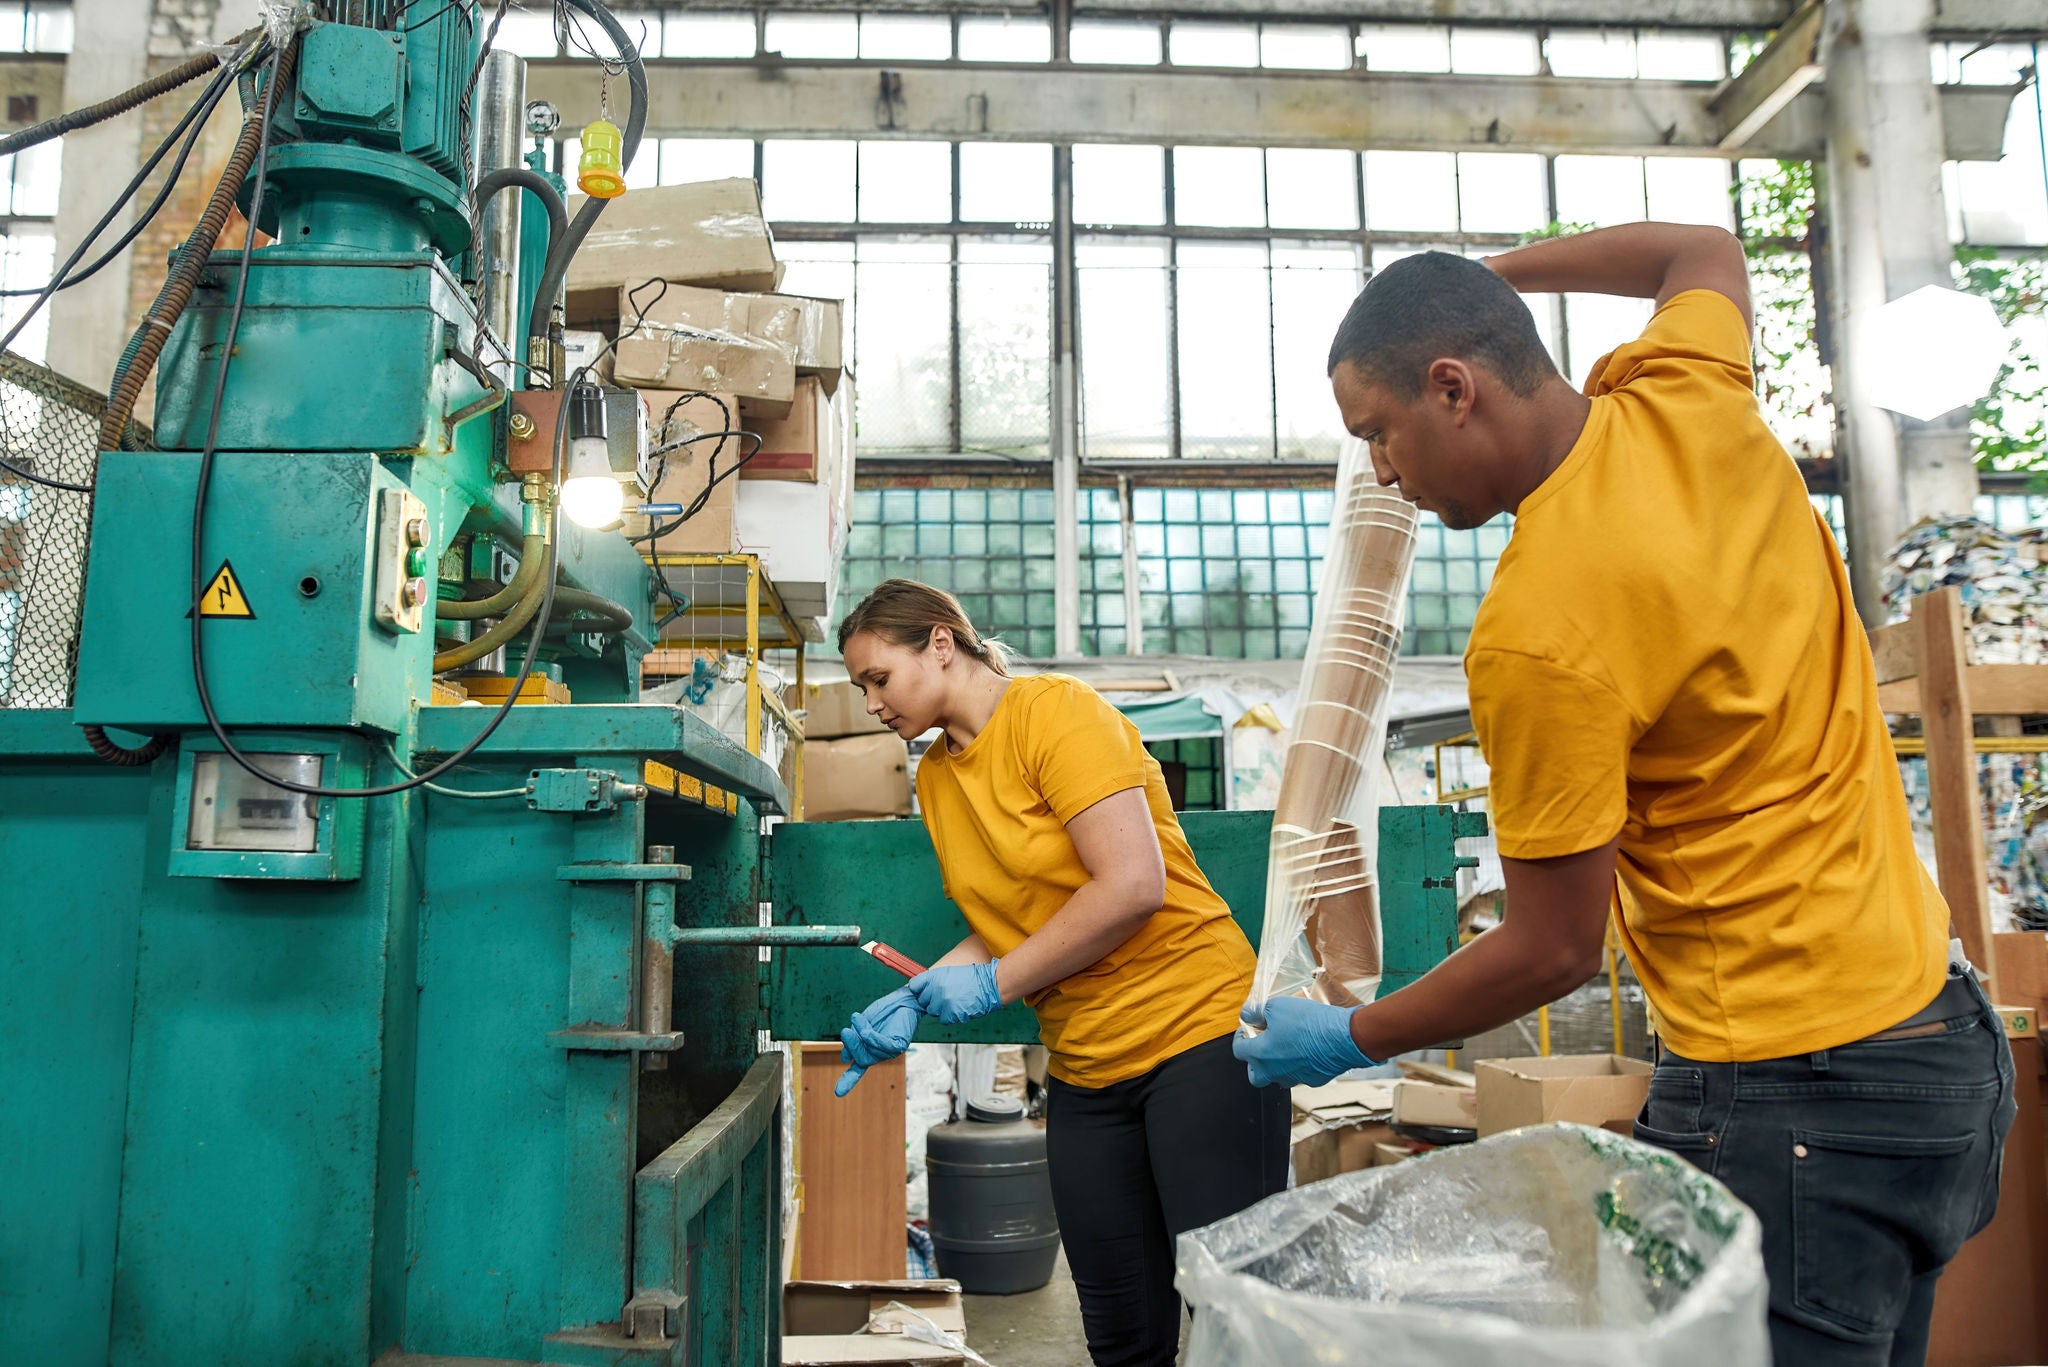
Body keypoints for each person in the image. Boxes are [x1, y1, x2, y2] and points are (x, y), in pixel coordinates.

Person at [1235, 225, 2016, 1365]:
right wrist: (1487, 277)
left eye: (1379, 437)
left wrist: (1353, 1032)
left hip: (1797, 1089)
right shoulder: (1686, 393)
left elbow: (1553, 948)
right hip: (1937, 1047)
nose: (1385, 477)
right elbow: (1698, 251)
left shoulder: (1541, 627)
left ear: (1451, 387)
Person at [834, 579, 1288, 1367]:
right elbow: (1010, 920)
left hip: (1198, 1033)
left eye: (878, 677)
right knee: (1121, 1333)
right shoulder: (938, 779)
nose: (872, 703)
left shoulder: (1056, 713)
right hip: (1087, 1064)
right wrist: (915, 996)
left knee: (1230, 1321)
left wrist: (995, 982)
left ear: (941, 642)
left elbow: (1132, 885)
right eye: (860, 687)